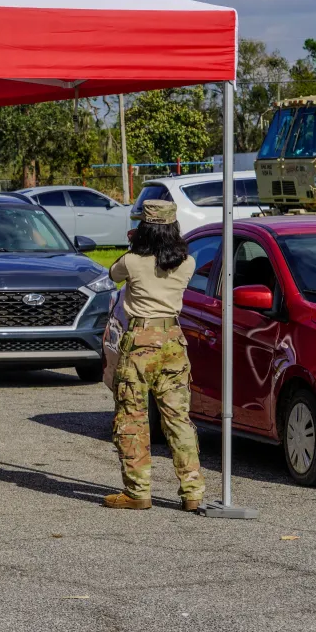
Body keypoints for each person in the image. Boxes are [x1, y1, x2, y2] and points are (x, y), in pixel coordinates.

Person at [105, 200, 205, 512]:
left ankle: (138, 491)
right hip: (174, 340)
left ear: (145, 227)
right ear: (174, 227)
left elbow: (112, 274)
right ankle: (192, 491)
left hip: (140, 340)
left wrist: (134, 243)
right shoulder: (187, 262)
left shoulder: (133, 260)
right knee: (178, 419)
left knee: (133, 417)